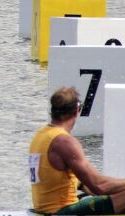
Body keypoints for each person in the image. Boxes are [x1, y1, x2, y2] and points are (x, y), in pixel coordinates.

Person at [29, 87, 125, 215]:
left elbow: (88, 187)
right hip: (62, 212)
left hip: (44, 209)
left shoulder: (41, 135)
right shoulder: (64, 142)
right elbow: (99, 186)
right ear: (76, 110)